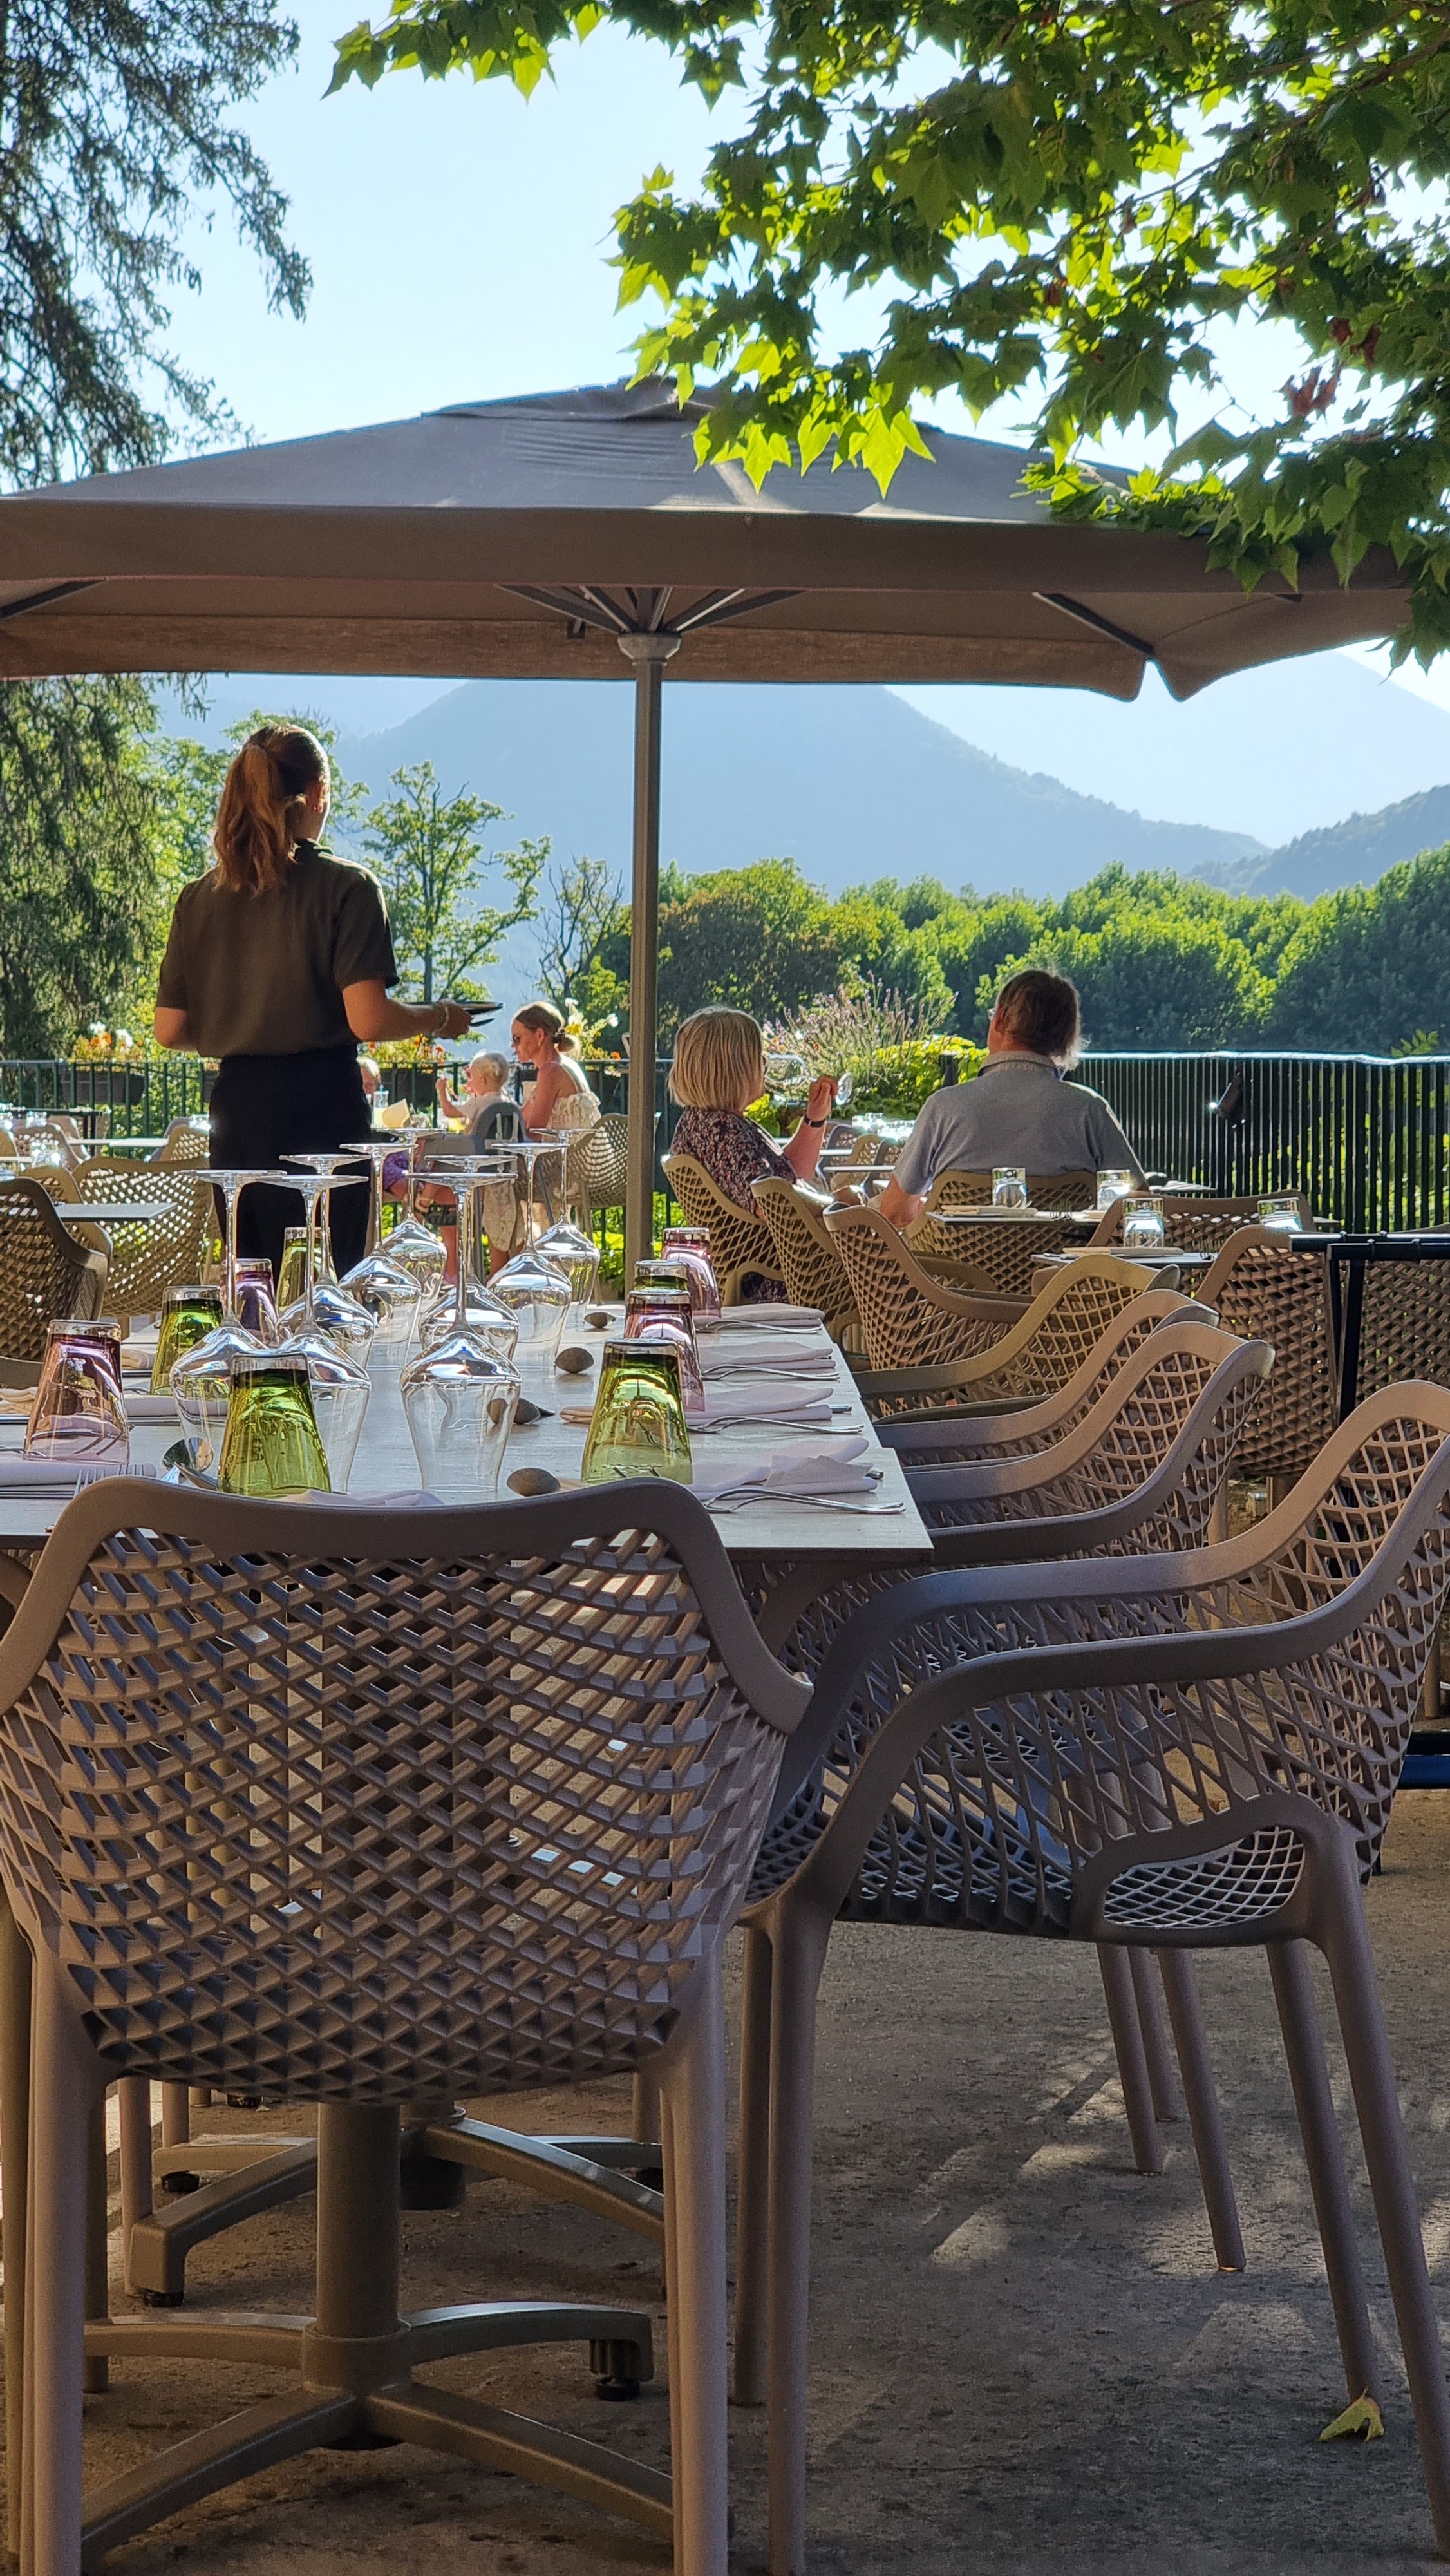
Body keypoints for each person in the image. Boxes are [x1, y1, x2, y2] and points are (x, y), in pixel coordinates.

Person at [153, 723, 473, 1280]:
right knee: (326, 1288)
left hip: (237, 1113)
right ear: (319, 794)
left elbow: (169, 1029)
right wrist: (440, 1017)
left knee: (253, 1286)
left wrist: (242, 1021)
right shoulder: (348, 888)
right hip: (322, 1111)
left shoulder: (198, 898)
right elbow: (368, 1017)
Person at [876, 968, 1144, 1231]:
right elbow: (1139, 1206)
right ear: (1065, 1038)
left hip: (951, 1262)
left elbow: (894, 1214)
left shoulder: (943, 1108)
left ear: (1000, 1020)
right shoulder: (1089, 1110)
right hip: (1061, 1261)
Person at [668, 1006, 836, 1302]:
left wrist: (815, 1117)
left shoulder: (705, 1122)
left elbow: (792, 1172)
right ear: (735, 1068)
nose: (765, 1063)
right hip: (780, 1278)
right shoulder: (723, 1132)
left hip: (765, 1269)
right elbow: (772, 1202)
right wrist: (836, 1208)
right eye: (758, 1056)